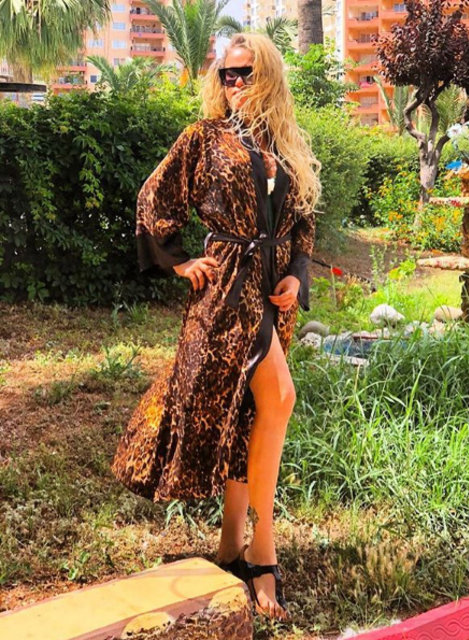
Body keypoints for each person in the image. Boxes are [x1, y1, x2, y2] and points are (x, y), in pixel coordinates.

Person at [110, 32, 321, 621]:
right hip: (225, 294)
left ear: (269, 77)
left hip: (272, 297)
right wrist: (179, 261)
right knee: (280, 397)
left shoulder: (286, 146)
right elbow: (153, 199)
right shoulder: (203, 139)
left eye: (246, 73)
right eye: (228, 74)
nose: (235, 83)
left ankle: (231, 543)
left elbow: (302, 225)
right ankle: (263, 553)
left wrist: (296, 276)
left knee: (248, 416)